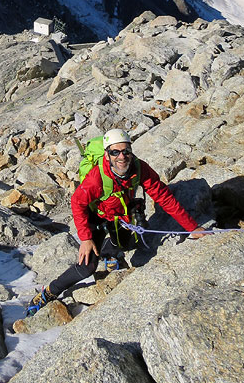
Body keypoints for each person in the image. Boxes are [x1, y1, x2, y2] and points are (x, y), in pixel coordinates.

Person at [26, 128, 205, 315]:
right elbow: (77, 202)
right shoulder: (97, 177)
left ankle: (109, 253)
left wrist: (192, 228)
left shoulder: (139, 168)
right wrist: (86, 239)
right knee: (87, 267)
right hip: (95, 216)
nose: (122, 157)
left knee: (130, 242)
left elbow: (164, 197)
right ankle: (49, 292)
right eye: (115, 152)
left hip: (120, 215)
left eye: (126, 151)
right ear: (107, 154)